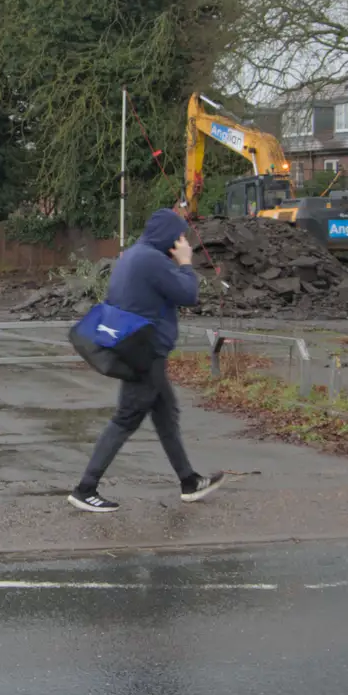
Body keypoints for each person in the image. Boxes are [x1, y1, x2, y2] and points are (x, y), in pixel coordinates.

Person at [68, 208, 226, 513]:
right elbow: (189, 294)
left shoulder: (133, 255)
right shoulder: (153, 261)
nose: (182, 240)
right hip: (145, 353)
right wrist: (184, 263)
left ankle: (188, 481)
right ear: (168, 236)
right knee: (125, 419)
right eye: (179, 235)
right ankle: (85, 488)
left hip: (138, 348)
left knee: (167, 415)